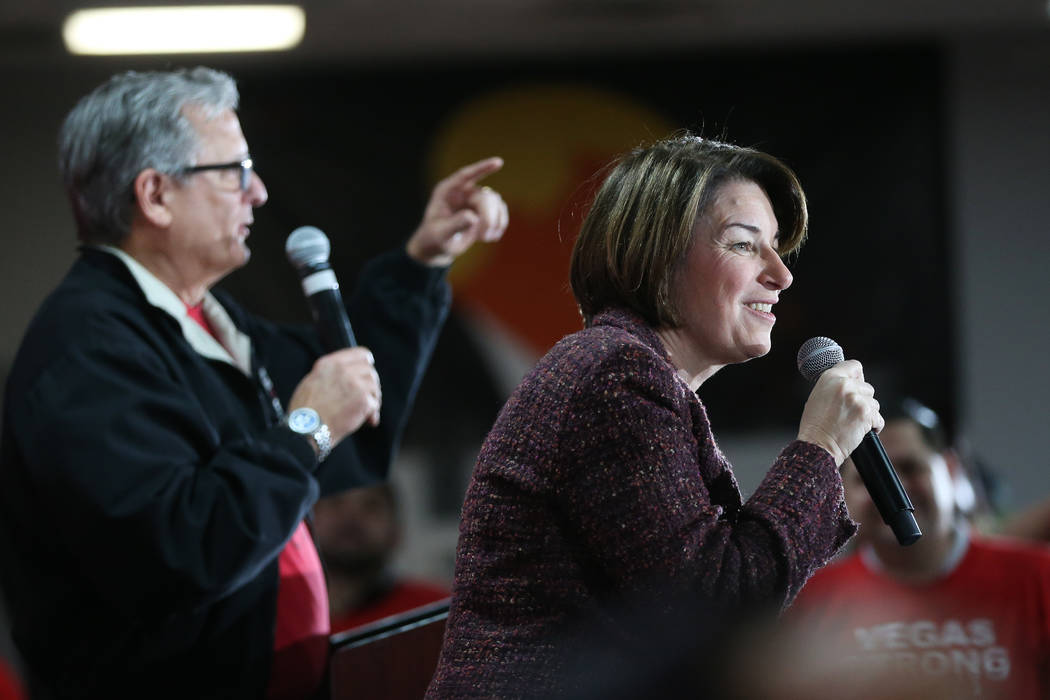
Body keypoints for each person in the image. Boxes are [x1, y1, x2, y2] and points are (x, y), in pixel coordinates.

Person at [0, 67, 507, 700]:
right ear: (155, 195)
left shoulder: (204, 321)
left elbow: (348, 395)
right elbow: (184, 550)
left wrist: (423, 261)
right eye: (234, 170)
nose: (259, 192)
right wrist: (307, 429)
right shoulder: (88, 351)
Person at [427, 134, 883, 697]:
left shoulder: (627, 372)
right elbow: (712, 610)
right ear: (659, 253)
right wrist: (821, 450)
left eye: (777, 249)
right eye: (745, 245)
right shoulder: (617, 377)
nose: (781, 275)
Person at [790, 397, 1050, 698]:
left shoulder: (1038, 578)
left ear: (951, 472)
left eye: (910, 468)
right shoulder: (812, 598)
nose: (893, 491)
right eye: (868, 479)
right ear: (843, 490)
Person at [313, 482, 449, 633]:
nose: (350, 518)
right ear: (308, 522)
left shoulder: (438, 614)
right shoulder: (287, 617)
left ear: (396, 531)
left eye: (371, 506)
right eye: (335, 503)